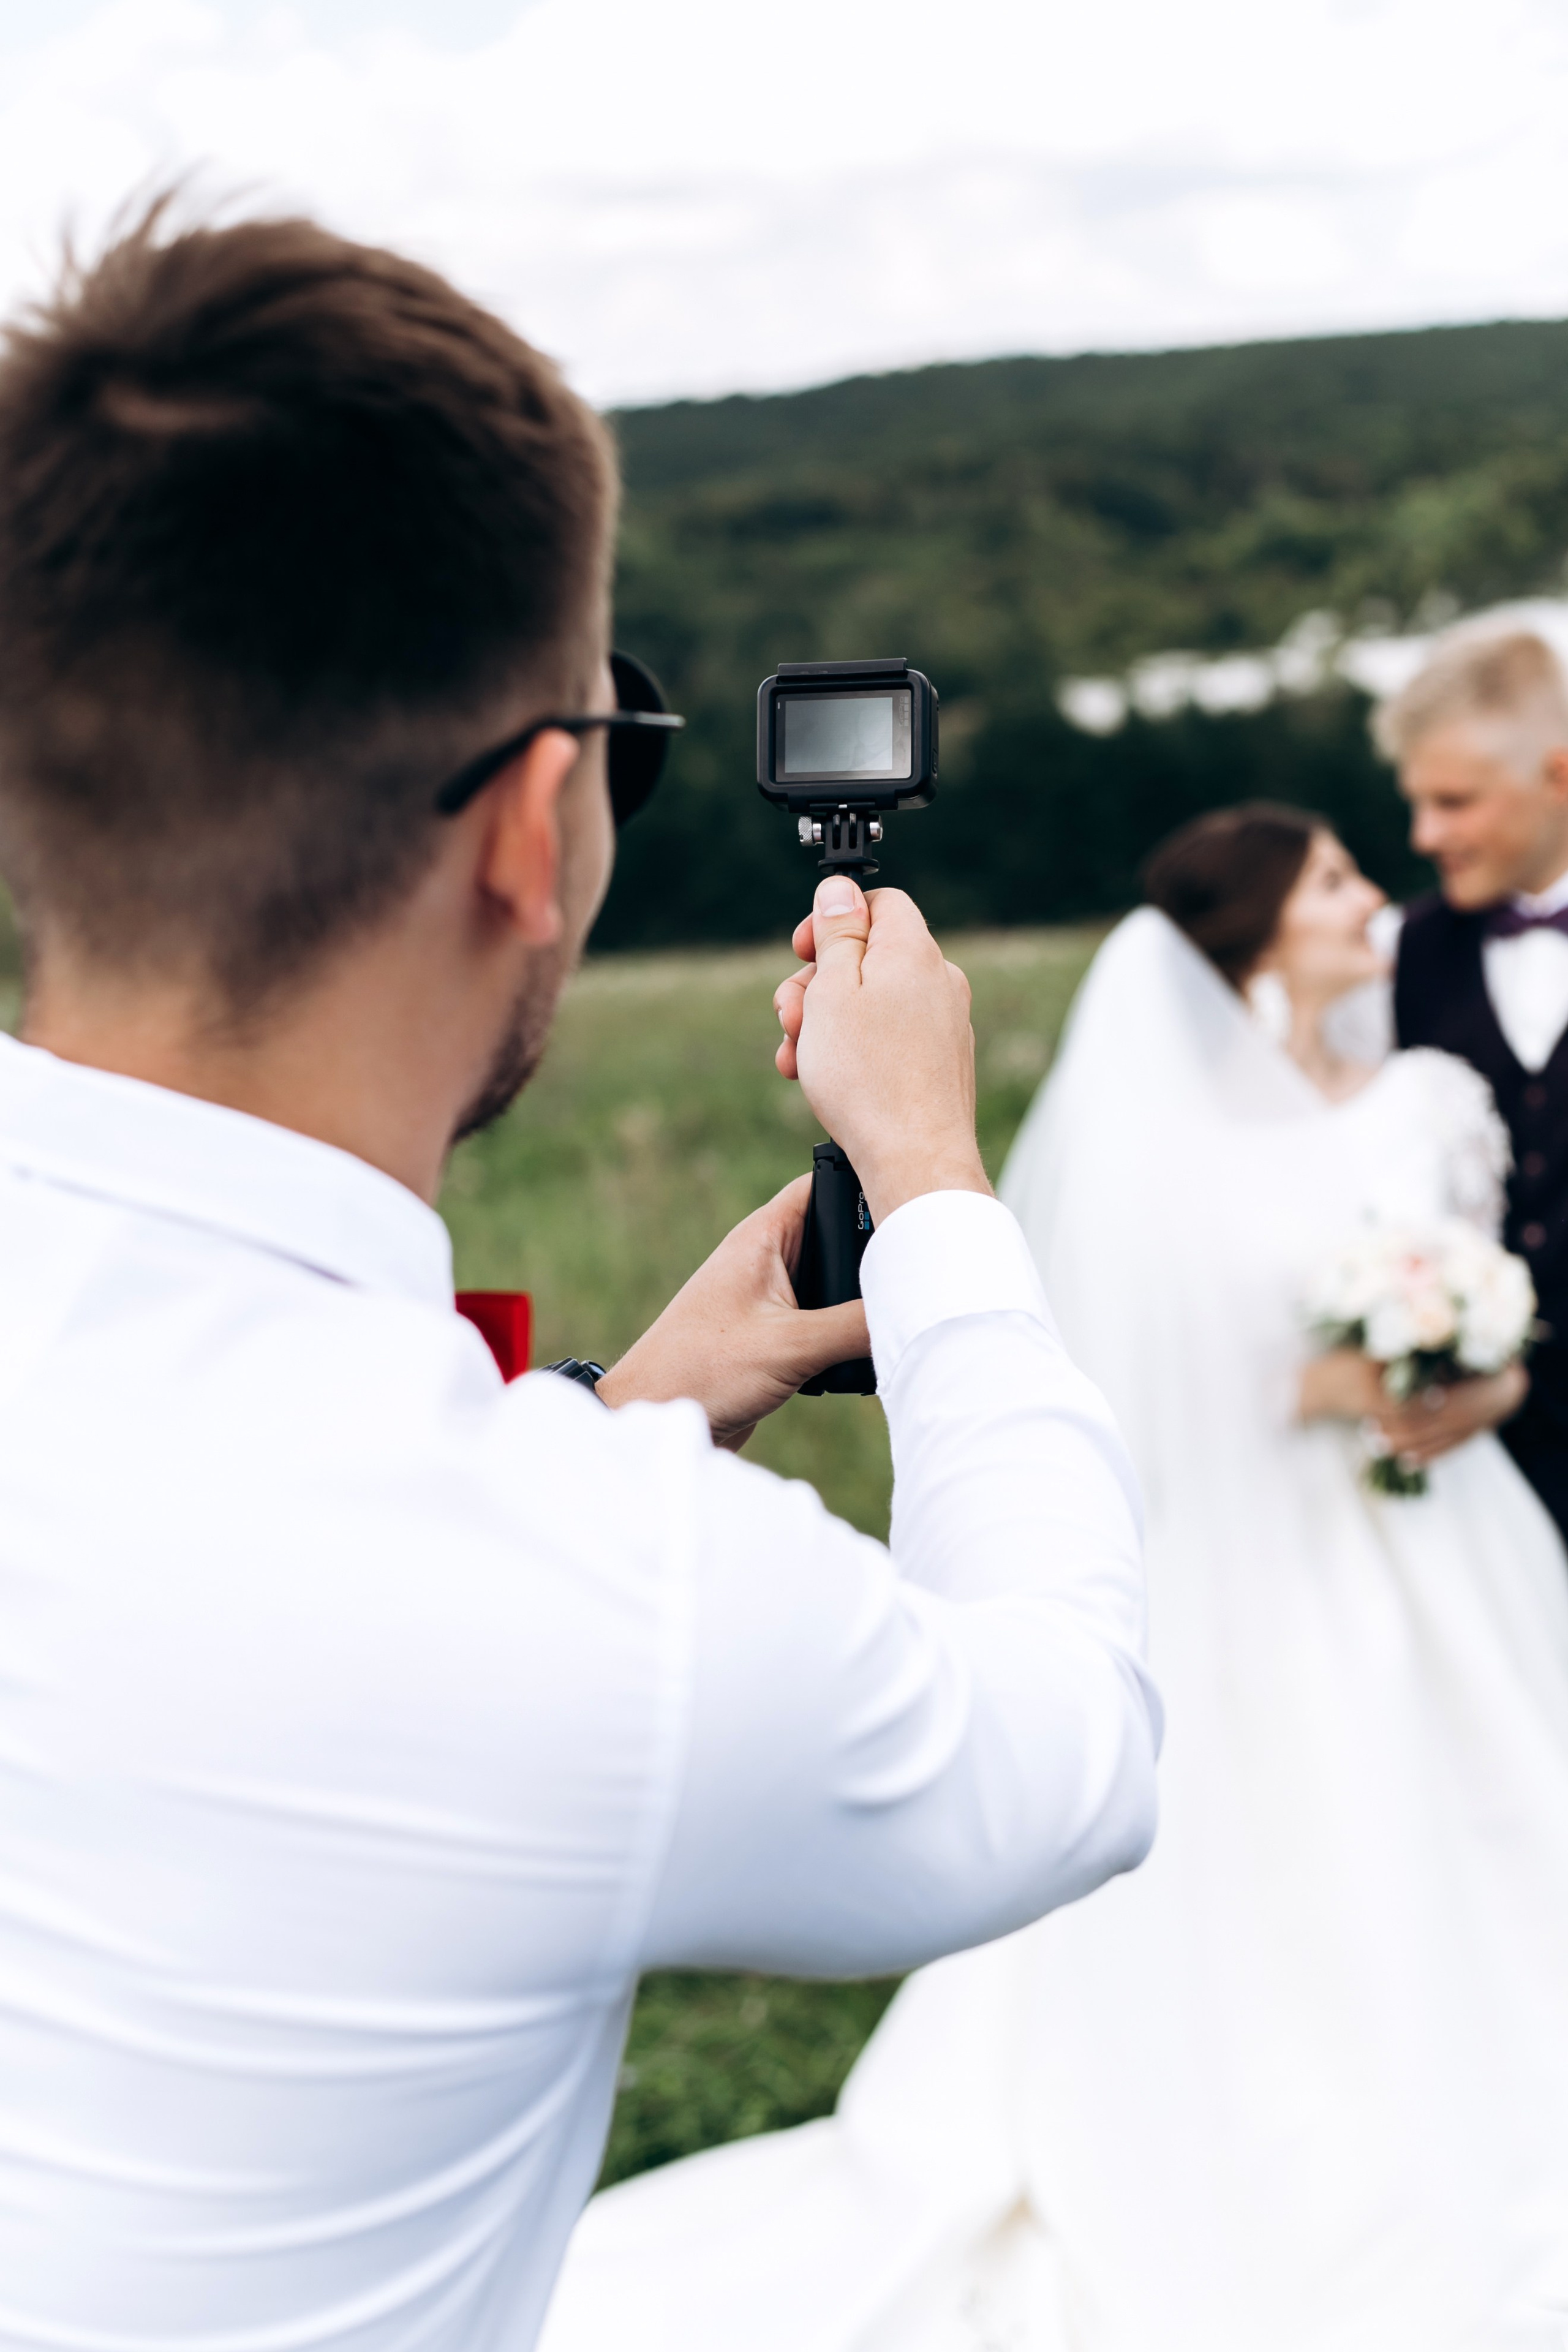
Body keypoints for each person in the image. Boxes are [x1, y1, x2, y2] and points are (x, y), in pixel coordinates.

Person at [0, 208, 1161, 2349]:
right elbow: (1068, 1750)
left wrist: (623, 1416)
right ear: (535, 823)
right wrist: (932, 1186)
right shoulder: (612, 1604)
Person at [543, 805, 1568, 2352]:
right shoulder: (1159, 1128)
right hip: (1262, 1527)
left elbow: (1499, 1282)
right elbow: (1155, 1352)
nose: (1375, 894)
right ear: (1253, 931)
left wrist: (1471, 1367)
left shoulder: (1425, 1094)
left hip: (1444, 1529)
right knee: (1284, 1823)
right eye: (1332, 879)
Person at [1370, 628, 1568, 1539]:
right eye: (1416, 804)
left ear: (1558, 777)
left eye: (1454, 802)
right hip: (1471, 1472)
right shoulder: (1402, 952)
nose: (1425, 836)